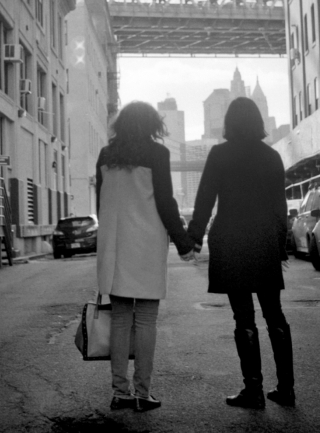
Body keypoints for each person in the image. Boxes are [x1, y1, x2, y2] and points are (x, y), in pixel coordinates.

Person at [188, 97, 293, 410]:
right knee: (275, 314)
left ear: (229, 123)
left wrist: (193, 237)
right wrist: (280, 245)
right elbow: (280, 207)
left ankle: (254, 390)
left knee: (243, 317)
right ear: (259, 122)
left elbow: (204, 199)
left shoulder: (220, 154)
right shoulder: (272, 156)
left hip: (231, 241)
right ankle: (286, 389)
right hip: (263, 241)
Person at [96, 101, 196, 412]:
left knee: (121, 319)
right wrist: (183, 243)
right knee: (147, 320)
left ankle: (120, 392)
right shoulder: (158, 154)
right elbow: (166, 202)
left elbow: (100, 199)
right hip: (147, 243)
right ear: (153, 124)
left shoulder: (105, 155)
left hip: (114, 244)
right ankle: (142, 392)